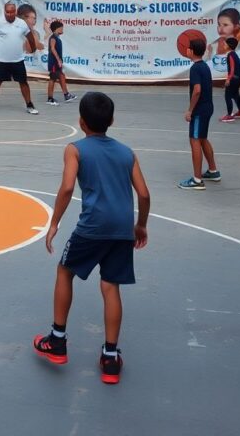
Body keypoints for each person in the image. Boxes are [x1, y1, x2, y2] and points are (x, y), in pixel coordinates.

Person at [33, 92, 150, 385]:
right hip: (123, 228)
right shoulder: (127, 152)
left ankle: (57, 340)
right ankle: (111, 357)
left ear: (81, 122)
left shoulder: (75, 149)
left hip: (93, 227)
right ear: (111, 120)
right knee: (110, 286)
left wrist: (54, 222)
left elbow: (67, 187)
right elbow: (145, 194)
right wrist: (141, 225)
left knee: (64, 271)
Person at [178, 38, 221, 189]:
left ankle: (197, 180)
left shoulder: (195, 68)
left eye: (188, 48)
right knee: (202, 139)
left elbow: (197, 91)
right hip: (208, 107)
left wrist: (190, 110)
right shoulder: (204, 66)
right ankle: (213, 170)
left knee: (195, 140)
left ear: (191, 51)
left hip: (200, 110)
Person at [0, 1, 39, 116]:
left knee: (23, 83)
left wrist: (33, 48)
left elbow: (30, 37)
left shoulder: (22, 23)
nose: (9, 14)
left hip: (18, 60)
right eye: (7, 12)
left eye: (11, 12)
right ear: (4, 11)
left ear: (15, 11)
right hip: (2, 61)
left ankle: (29, 105)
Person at [46, 21, 76, 106]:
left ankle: (64, 95)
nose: (62, 29)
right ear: (56, 29)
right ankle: (53, 97)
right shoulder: (53, 38)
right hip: (54, 63)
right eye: (61, 28)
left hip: (56, 62)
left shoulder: (57, 38)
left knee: (58, 77)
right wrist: (58, 60)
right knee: (55, 78)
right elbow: (52, 49)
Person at [219, 37, 240, 123]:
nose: (224, 45)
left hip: (233, 79)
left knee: (227, 96)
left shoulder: (230, 55)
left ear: (229, 45)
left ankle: (229, 115)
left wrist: (228, 79)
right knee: (235, 95)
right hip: (237, 79)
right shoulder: (234, 54)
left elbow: (232, 68)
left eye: (225, 43)